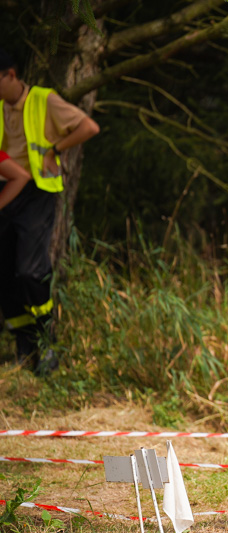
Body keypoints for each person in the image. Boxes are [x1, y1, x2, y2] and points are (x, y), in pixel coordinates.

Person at [0, 48, 100, 373]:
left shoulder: (43, 99)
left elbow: (88, 127)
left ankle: (46, 343)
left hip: (37, 193)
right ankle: (23, 348)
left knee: (31, 270)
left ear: (11, 75)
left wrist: (54, 150)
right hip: (5, 191)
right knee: (5, 274)